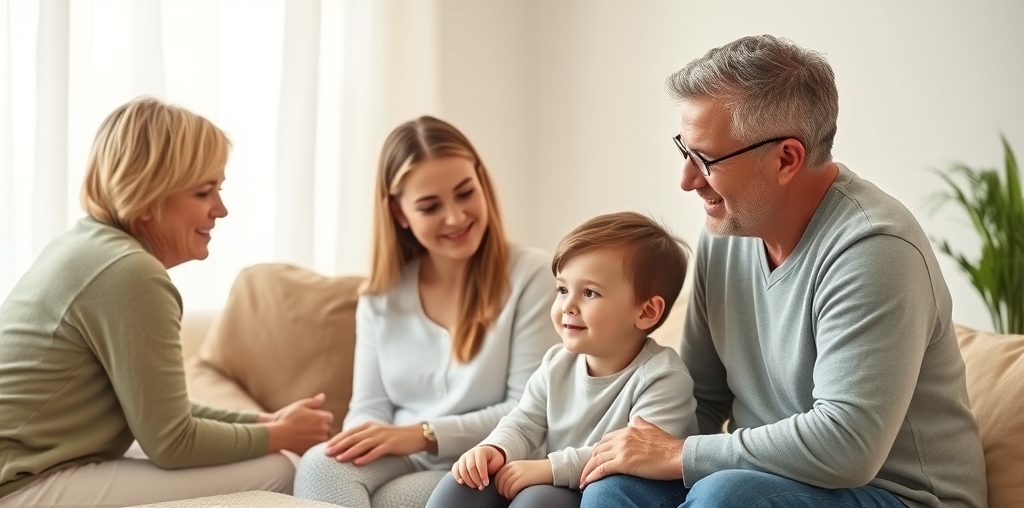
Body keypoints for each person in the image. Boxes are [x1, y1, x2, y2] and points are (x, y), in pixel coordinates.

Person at [578, 35, 987, 508]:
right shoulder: (726, 232)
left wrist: (681, 454)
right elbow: (703, 400)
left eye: (705, 159)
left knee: (726, 496)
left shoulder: (875, 249)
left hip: (897, 494)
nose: (687, 180)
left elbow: (846, 446)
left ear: (787, 158)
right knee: (614, 488)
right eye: (683, 150)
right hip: (770, 481)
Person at [0, 97, 333, 507]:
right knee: (278, 469)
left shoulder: (87, 246)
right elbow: (173, 442)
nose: (221, 209)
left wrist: (262, 422)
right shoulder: (130, 273)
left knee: (268, 456)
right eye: (203, 192)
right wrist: (280, 436)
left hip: (24, 467)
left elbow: (159, 412)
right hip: (22, 484)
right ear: (147, 198)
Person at [293, 115, 560, 508]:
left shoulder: (533, 276)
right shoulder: (380, 295)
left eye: (465, 193)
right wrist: (360, 446)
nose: (455, 217)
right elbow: (369, 408)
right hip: (403, 456)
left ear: (482, 185)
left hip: (486, 461)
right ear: (400, 215)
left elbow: (527, 409)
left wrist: (423, 433)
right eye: (430, 206)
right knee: (320, 465)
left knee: (394, 500)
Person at [425, 211, 699, 508]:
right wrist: (495, 448)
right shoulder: (557, 362)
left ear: (646, 312)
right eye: (563, 289)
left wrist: (548, 469)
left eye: (590, 293)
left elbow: (630, 455)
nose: (568, 305)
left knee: (536, 501)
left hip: (617, 491)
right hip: (562, 480)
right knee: (461, 484)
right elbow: (523, 422)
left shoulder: (664, 377)